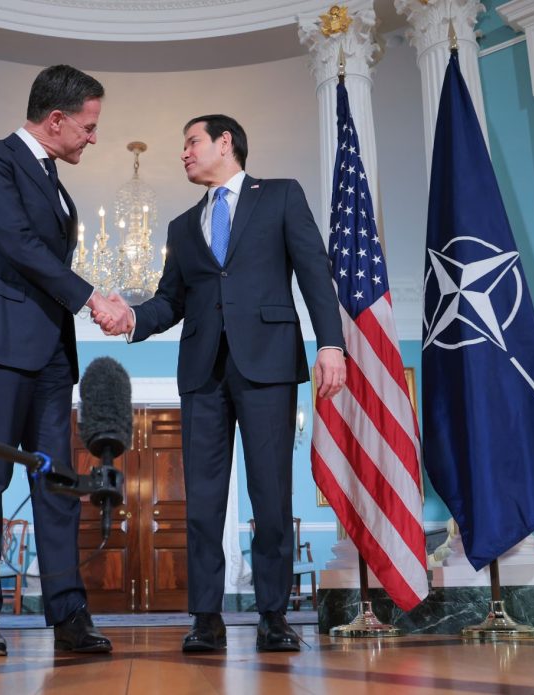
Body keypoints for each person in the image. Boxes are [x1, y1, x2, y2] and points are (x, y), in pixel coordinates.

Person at [96, 115, 347, 652]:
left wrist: (330, 344)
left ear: (224, 143)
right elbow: (171, 301)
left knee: (271, 495)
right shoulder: (183, 227)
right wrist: (133, 318)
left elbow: (313, 271)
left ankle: (273, 616)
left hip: (268, 364)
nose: (184, 154)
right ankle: (205, 616)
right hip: (203, 372)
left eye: (191, 142)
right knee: (203, 499)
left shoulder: (280, 195)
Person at [0, 64, 126, 656]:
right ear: (56, 120)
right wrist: (90, 297)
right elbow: (17, 244)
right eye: (89, 125)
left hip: (51, 355)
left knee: (56, 486)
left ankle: (68, 614)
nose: (92, 137)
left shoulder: (59, 184)